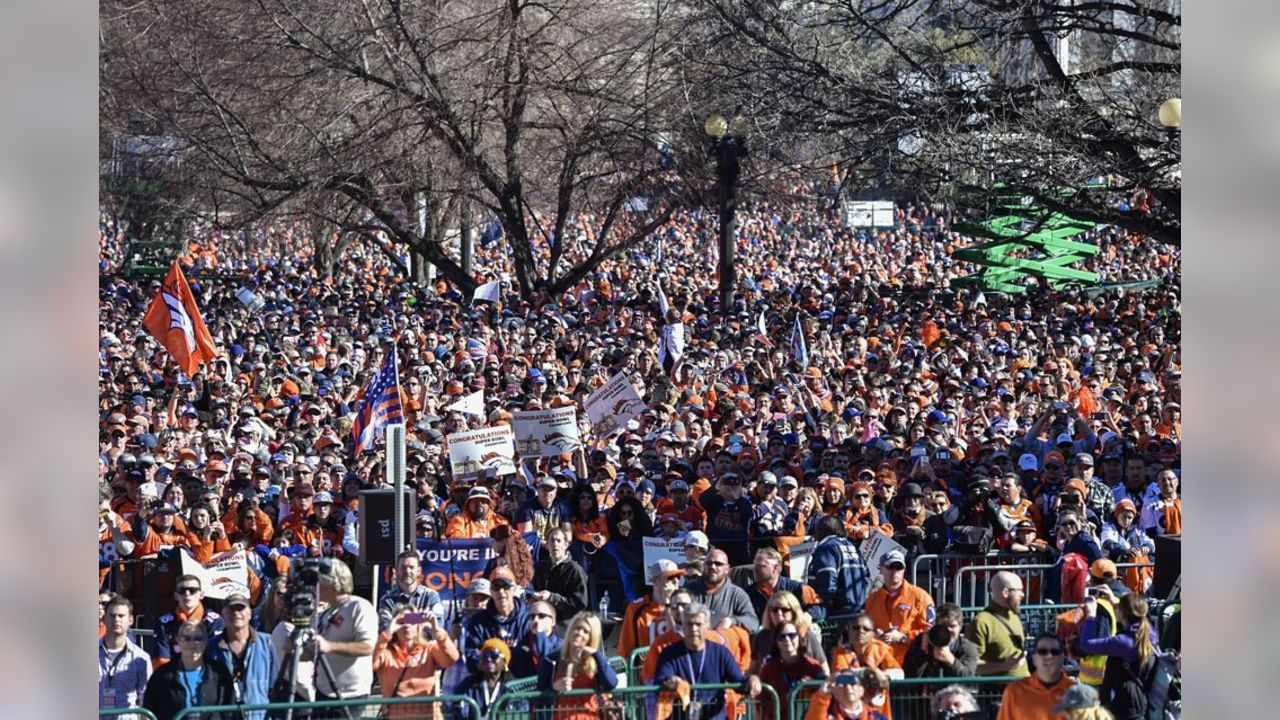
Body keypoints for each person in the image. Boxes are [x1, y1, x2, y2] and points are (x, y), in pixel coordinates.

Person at [654, 602, 764, 720]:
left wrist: (753, 679)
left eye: (698, 624)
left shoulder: (720, 652)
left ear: (707, 627)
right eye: (689, 624)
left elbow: (738, 681)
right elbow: (661, 680)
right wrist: (670, 681)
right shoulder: (670, 653)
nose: (693, 629)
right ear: (683, 626)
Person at [1077, 592, 1161, 720]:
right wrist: (1114, 600)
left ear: (1122, 613)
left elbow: (1086, 645)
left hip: (1123, 706)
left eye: (1117, 608)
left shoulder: (1123, 642)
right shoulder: (1147, 631)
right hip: (1138, 702)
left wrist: (1091, 615)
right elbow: (1130, 613)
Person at [372, 604, 459, 720]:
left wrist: (437, 631)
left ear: (419, 626)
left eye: (411, 620)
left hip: (429, 716)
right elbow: (371, 664)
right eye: (402, 622)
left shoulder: (429, 649)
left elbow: (451, 659)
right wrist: (387, 633)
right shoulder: (387, 652)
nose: (407, 625)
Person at [313, 559, 378, 713]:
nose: (316, 586)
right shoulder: (325, 613)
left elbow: (367, 647)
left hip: (350, 694)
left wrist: (330, 646)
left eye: (319, 581)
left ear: (333, 583)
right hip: (323, 692)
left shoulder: (359, 606)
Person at [143, 619, 236, 720]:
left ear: (205, 642)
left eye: (198, 638)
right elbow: (148, 712)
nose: (192, 644)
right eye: (186, 638)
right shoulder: (162, 675)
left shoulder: (220, 672)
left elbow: (230, 710)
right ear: (178, 641)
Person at [205, 593, 275, 719]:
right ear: (223, 614)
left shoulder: (268, 643)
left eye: (240, 608)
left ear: (250, 614)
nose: (236, 613)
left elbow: (277, 684)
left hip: (260, 716)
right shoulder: (211, 647)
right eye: (231, 609)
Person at [537, 612, 619, 720]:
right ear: (570, 630)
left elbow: (611, 683)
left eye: (586, 631)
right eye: (577, 628)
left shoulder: (596, 661)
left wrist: (595, 654)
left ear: (592, 636)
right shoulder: (551, 660)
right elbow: (539, 697)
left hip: (591, 716)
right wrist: (554, 688)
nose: (579, 633)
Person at [863, 549, 935, 665]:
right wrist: (874, 636)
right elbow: (865, 629)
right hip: (881, 663)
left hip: (912, 662)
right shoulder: (872, 599)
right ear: (881, 569)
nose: (895, 571)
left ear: (904, 570)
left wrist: (904, 637)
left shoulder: (920, 596)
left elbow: (931, 631)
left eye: (899, 567)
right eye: (890, 567)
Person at [461, 566, 530, 672]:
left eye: (505, 586)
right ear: (491, 591)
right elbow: (471, 657)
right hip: (490, 680)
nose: (501, 591)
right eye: (496, 587)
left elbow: (539, 654)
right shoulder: (478, 622)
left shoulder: (529, 618)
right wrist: (494, 664)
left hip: (523, 683)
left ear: (514, 588)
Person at [996, 633, 1076, 720]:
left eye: (1054, 652)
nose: (1049, 656)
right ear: (1034, 658)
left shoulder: (1078, 693)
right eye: (1042, 652)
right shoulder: (1014, 692)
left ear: (1062, 658)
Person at [758, 620, 827, 720]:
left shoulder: (812, 665)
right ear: (776, 642)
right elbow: (762, 707)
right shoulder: (768, 669)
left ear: (799, 638)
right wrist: (788, 698)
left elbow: (824, 697)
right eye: (782, 637)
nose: (787, 639)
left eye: (792, 635)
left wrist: (810, 685)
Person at [619, 558, 687, 658]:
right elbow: (626, 647)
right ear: (656, 581)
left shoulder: (684, 605)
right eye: (671, 577)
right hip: (647, 670)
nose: (676, 581)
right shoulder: (636, 608)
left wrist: (668, 604)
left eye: (678, 577)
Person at [685, 547, 761, 633]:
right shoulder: (688, 590)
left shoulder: (737, 594)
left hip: (723, 644)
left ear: (727, 569)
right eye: (709, 563)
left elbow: (753, 623)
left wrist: (732, 621)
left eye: (718, 564)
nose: (712, 567)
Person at [750, 590, 828, 674]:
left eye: (784, 610)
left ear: (794, 612)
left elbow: (824, 669)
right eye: (774, 610)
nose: (779, 614)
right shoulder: (761, 637)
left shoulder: (806, 635)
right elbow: (753, 670)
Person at [154, 575, 224, 668]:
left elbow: (215, 658)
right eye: (182, 590)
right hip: (173, 677)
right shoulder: (164, 623)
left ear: (201, 594)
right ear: (176, 596)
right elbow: (161, 660)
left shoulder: (215, 622)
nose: (187, 594)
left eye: (192, 590)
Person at [966, 571, 1028, 677]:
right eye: (1019, 591)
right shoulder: (982, 622)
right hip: (997, 691)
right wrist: (1004, 666)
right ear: (1005, 592)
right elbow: (969, 665)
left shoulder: (1014, 616)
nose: (1023, 595)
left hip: (1022, 689)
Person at [807, 515, 871, 617]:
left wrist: (829, 600)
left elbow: (827, 579)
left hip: (838, 611)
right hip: (859, 607)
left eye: (817, 530)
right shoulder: (852, 546)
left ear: (821, 530)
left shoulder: (826, 547)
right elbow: (867, 577)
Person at [99, 597, 152, 717]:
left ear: (131, 620)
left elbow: (145, 701)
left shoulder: (141, 658)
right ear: (103, 619)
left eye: (121, 616)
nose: (116, 620)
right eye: (112, 616)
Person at [744, 547, 825, 622]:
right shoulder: (747, 594)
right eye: (754, 565)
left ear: (775, 568)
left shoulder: (798, 589)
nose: (755, 569)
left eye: (761, 566)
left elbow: (821, 607)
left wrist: (809, 615)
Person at [530, 526, 588, 625]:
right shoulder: (540, 567)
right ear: (547, 545)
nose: (555, 544)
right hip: (541, 620)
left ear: (566, 544)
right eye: (551, 541)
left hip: (565, 624)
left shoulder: (575, 570)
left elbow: (580, 603)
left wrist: (551, 597)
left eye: (558, 541)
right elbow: (532, 588)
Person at [902, 603, 978, 678]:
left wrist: (950, 660)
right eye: (943, 626)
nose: (948, 630)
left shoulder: (968, 647)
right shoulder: (922, 641)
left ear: (960, 627)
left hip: (956, 689)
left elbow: (968, 677)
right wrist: (923, 652)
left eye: (952, 626)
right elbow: (908, 675)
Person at [378, 549, 445, 630]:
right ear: (396, 570)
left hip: (426, 642)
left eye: (411, 567)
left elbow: (439, 624)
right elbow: (385, 628)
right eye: (403, 567)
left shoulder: (431, 596)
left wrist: (399, 619)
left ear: (419, 571)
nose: (407, 571)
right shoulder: (387, 600)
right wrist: (422, 618)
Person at [455, 638, 515, 719]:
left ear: (504, 663)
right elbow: (459, 712)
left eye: (494, 656)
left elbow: (518, 712)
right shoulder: (468, 685)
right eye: (485, 656)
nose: (489, 659)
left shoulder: (513, 687)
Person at [803, 668, 889, 720]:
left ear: (861, 691)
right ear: (834, 692)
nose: (848, 688)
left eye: (852, 683)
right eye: (843, 684)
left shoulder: (878, 718)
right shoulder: (826, 715)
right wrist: (822, 695)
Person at [508, 599, 562, 679]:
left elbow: (547, 663)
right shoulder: (520, 647)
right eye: (532, 616)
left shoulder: (561, 646)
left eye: (541, 616)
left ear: (553, 622)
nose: (535, 620)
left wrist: (540, 634)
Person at [831, 613, 900, 672]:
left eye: (866, 629)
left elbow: (898, 672)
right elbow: (841, 673)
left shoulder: (881, 649)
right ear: (849, 631)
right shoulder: (840, 651)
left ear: (873, 634)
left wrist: (883, 674)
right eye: (856, 628)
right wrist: (869, 673)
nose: (861, 631)